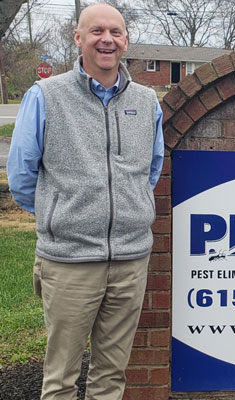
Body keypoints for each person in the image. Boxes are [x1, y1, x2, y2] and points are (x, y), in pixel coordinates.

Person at [7, 3, 164, 399]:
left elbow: (151, 169)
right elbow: (22, 175)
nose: (106, 39)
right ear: (78, 38)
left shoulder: (147, 101)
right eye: (96, 31)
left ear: (126, 40)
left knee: (111, 376)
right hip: (70, 262)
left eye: (115, 31)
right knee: (60, 377)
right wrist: (60, 215)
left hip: (130, 259)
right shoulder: (46, 95)